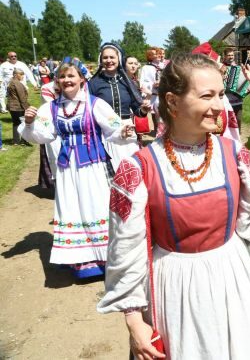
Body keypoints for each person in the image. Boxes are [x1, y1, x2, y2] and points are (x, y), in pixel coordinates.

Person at [97, 54, 250, 359]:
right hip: (178, 292)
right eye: (207, 96)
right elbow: (125, 251)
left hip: (233, 282)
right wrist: (134, 320)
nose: (220, 105)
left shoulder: (233, 154)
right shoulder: (138, 168)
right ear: (173, 102)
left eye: (221, 94)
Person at [19, 61, 135, 278]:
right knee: (73, 208)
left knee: (97, 205)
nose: (67, 80)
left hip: (93, 166)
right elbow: (42, 136)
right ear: (57, 81)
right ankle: (82, 262)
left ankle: (108, 258)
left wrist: (125, 131)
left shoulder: (95, 104)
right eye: (62, 77)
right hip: (67, 168)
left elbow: (114, 127)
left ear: (82, 79)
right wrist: (29, 123)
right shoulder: (51, 108)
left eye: (71, 76)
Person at [89, 43, 151, 171]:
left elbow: (136, 108)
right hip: (105, 133)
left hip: (127, 131)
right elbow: (89, 112)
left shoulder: (127, 82)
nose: (109, 61)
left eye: (112, 57)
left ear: (119, 59)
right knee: (111, 172)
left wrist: (143, 110)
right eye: (105, 58)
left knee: (131, 170)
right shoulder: (94, 84)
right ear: (101, 60)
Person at [7, 68, 30, 145]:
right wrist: (27, 108)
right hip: (17, 107)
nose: (23, 76)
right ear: (16, 75)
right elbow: (22, 97)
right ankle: (23, 140)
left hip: (13, 107)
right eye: (21, 74)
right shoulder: (17, 83)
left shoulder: (12, 82)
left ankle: (16, 141)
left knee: (16, 123)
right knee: (23, 123)